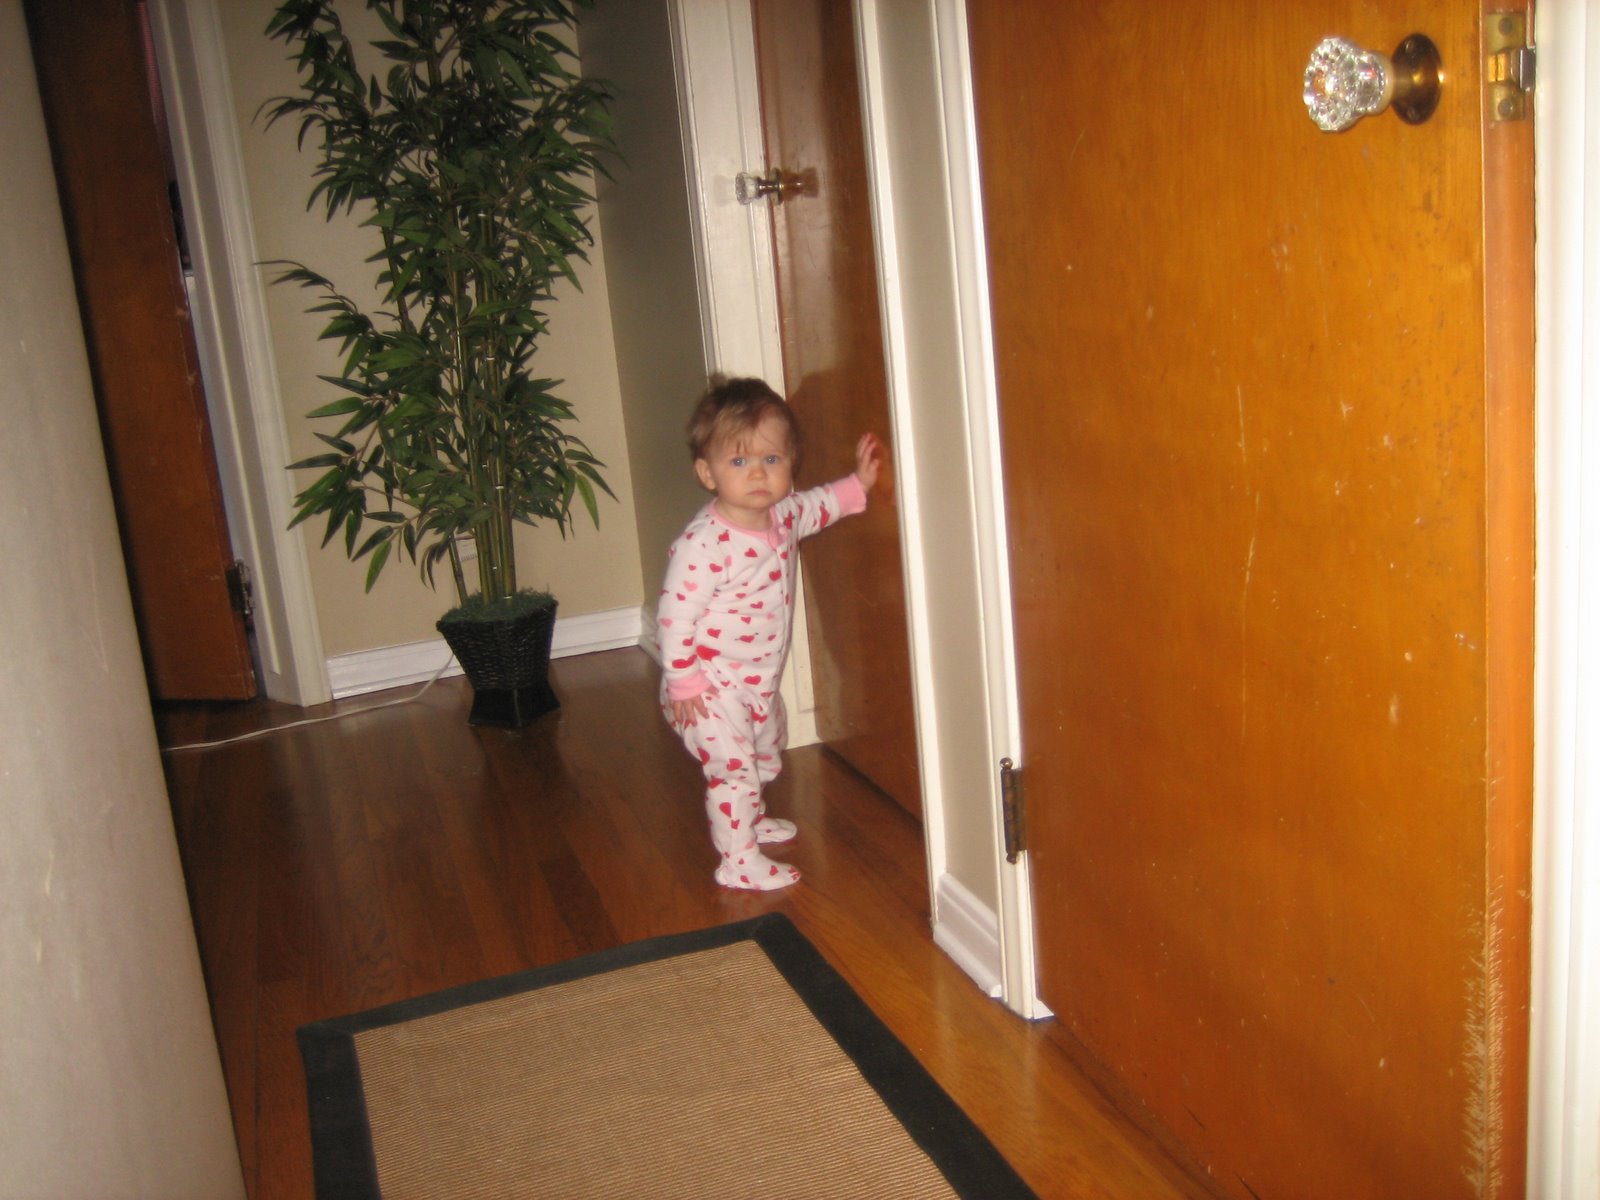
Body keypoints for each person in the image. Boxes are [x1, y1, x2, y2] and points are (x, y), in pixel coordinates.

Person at [656, 376, 881, 891]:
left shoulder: (783, 515)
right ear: (707, 473)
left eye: (771, 459)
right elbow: (674, 617)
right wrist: (684, 682)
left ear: (790, 463)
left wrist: (859, 484)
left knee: (765, 749)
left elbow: (820, 505)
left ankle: (750, 821)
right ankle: (737, 859)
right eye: (739, 461)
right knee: (733, 768)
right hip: (709, 686)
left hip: (757, 679)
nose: (757, 473)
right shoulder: (704, 545)